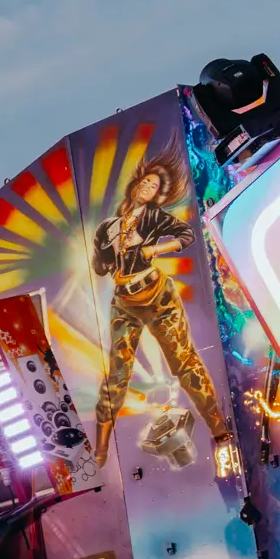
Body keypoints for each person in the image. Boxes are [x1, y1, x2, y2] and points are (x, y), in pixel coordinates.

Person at [90, 156, 231, 466]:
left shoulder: (154, 217)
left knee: (184, 362)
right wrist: (107, 251)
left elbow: (187, 235)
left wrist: (153, 248)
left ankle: (220, 432)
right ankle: (99, 452)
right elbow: (100, 267)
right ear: (135, 185)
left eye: (153, 186)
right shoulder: (109, 226)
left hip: (158, 297)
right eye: (145, 183)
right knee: (116, 376)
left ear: (156, 195)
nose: (147, 188)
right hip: (124, 301)